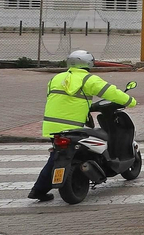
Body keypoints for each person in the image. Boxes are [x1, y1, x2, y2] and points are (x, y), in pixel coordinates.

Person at [27, 49, 138, 201]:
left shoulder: (56, 78)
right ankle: (43, 188)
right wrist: (130, 101)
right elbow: (110, 92)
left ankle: (39, 190)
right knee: (63, 155)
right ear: (88, 63)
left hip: (52, 127)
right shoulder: (88, 79)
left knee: (55, 158)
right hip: (73, 127)